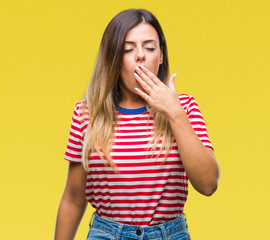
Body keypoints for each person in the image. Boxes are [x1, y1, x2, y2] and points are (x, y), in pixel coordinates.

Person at [54, 9, 220, 240]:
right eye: (128, 49)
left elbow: (208, 184)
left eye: (150, 48)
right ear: (113, 58)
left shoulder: (185, 107)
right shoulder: (87, 114)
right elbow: (73, 197)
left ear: (160, 56)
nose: (140, 56)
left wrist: (175, 113)